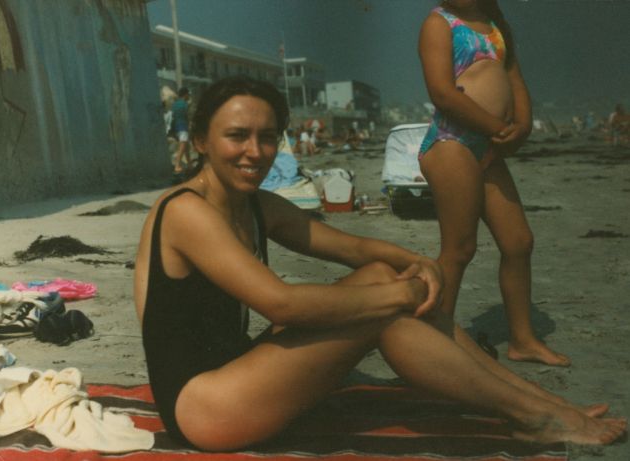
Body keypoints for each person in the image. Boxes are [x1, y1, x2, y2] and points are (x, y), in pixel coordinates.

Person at [134, 76, 625, 451]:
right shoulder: (186, 212)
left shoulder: (255, 205)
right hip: (203, 408)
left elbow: (355, 250)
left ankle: (542, 405)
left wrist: (415, 263)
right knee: (383, 311)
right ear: (200, 140)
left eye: (267, 137)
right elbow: (280, 304)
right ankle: (532, 416)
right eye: (236, 136)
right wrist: (403, 294)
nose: (255, 152)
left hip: (237, 375)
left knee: (379, 279)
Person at [417, 0, 570, 366]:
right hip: (451, 143)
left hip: (488, 149)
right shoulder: (440, 23)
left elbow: (515, 81)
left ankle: (523, 340)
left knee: (518, 241)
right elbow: (442, 92)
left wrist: (523, 126)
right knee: (459, 249)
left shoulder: (495, 25)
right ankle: (437, 342)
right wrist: (498, 128)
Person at [172, 87, 191, 173]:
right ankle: (177, 165)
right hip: (183, 126)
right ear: (185, 94)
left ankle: (190, 165)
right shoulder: (185, 104)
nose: (189, 96)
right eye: (188, 94)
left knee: (186, 146)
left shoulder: (175, 104)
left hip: (177, 127)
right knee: (183, 146)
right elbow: (188, 116)